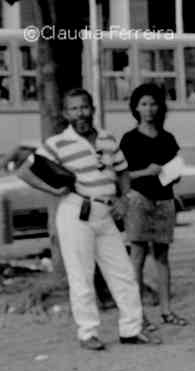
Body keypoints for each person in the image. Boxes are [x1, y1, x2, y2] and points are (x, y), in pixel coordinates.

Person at [16, 88, 158, 350]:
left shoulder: (107, 139)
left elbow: (123, 171)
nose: (80, 113)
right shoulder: (58, 142)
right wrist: (53, 190)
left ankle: (131, 329)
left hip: (105, 214)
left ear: (92, 108)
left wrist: (123, 199)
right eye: (74, 109)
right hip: (76, 212)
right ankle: (88, 333)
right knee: (81, 274)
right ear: (65, 113)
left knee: (123, 272)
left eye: (84, 107)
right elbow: (25, 171)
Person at [120, 83, 188, 329]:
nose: (148, 109)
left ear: (160, 107)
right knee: (137, 257)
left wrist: (174, 172)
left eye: (153, 104)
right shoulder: (129, 139)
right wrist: (146, 172)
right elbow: (123, 175)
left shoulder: (167, 138)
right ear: (136, 108)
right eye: (144, 104)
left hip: (164, 200)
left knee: (162, 257)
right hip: (139, 200)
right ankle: (137, 315)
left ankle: (167, 310)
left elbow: (176, 168)